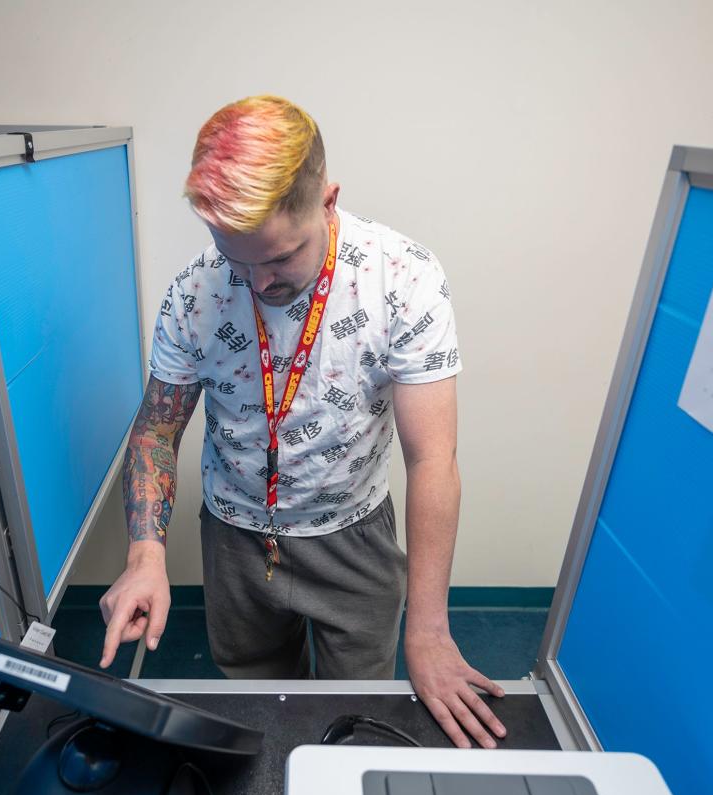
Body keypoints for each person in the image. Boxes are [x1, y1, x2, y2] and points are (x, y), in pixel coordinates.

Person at [98, 95, 507, 749]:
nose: (258, 284)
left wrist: (428, 627)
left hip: (353, 538)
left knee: (353, 714)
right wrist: (144, 556)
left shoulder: (402, 279)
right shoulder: (193, 292)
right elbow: (154, 430)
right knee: (258, 712)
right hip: (232, 537)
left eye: (280, 259)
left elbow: (432, 459)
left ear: (326, 200)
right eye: (238, 261)